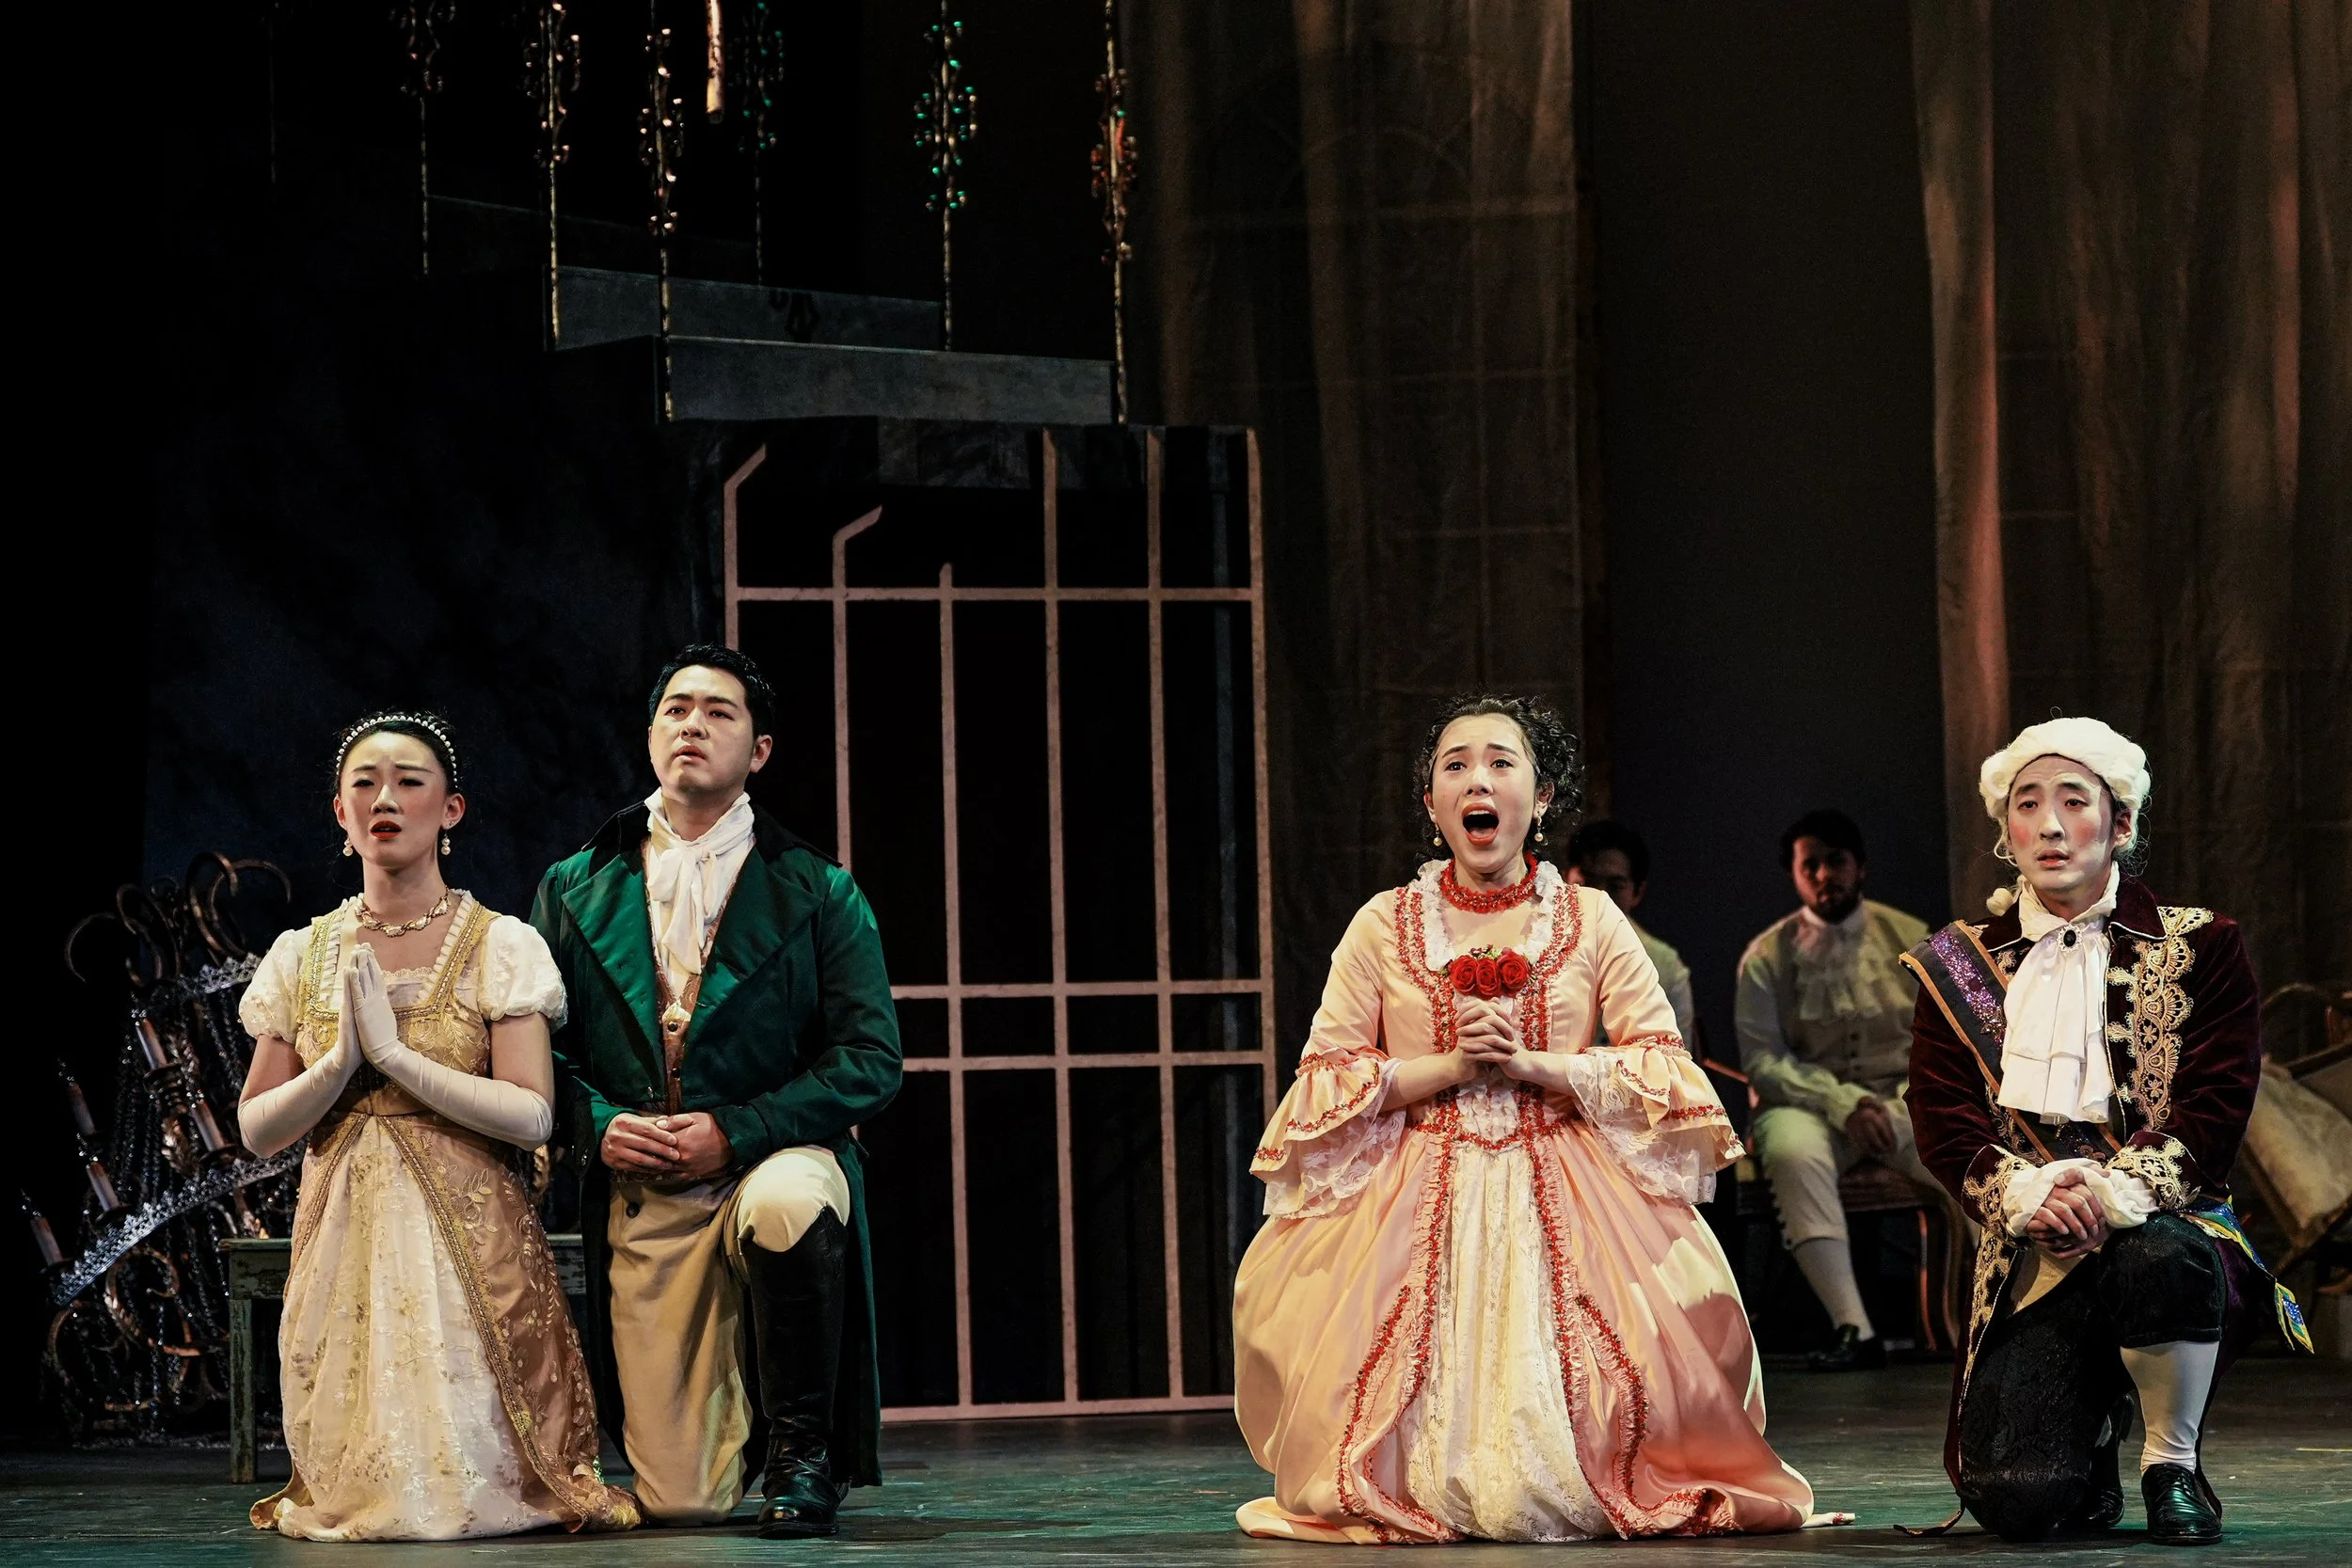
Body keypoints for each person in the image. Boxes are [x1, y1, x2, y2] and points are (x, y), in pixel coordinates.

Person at [1232, 695, 1820, 1544]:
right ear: (1433, 803)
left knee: (1644, 1363)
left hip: (1569, 1172)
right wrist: (1450, 1067)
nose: (1480, 779)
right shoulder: (1381, 925)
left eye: (1503, 762)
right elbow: (1326, 1077)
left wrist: (1538, 1063)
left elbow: (1663, 1061)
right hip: (1414, 1178)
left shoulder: (1590, 920)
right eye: (1456, 764)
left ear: (1540, 798)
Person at [1902, 718, 2309, 1544]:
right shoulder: (1954, 964)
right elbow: (1942, 1116)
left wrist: (2110, 1192)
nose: (2050, 826)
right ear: (2006, 830)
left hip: (2163, 1227)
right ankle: (2087, 1444)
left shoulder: (2203, 945)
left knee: (2160, 1256)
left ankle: (2172, 1460)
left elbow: (2216, 1103)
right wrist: (2024, 1194)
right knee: (2017, 1498)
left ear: (2119, 824)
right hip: (2035, 1245)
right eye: (2028, 806)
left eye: (2073, 802)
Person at [235, 711, 640, 1540]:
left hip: (470, 1239)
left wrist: (396, 1056)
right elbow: (257, 1128)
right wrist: (341, 1063)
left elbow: (533, 1110)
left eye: (409, 782)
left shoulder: (499, 943)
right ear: (340, 816)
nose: (386, 798)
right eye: (364, 784)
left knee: (468, 1481)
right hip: (343, 1236)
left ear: (450, 811)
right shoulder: (300, 953)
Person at [532, 644, 902, 1538]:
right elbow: (536, 1050)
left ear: (760, 751)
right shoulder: (574, 884)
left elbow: (869, 1058)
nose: (693, 724)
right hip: (646, 1180)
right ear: (651, 734)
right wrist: (597, 1124)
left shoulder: (819, 889)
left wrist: (740, 1129)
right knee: (684, 1503)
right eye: (675, 710)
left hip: (769, 1154)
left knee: (791, 1201)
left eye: (719, 712)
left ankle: (802, 1454)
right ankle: (727, 1420)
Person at [1733, 809, 1932, 1370]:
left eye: (1835, 861)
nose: (1824, 875)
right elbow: (1764, 1061)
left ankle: (1988, 1318)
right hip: (1810, 1110)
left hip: (1902, 1101)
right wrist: (1844, 1103)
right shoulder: (1767, 956)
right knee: (1792, 1148)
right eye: (1810, 865)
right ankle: (1855, 1327)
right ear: (1795, 876)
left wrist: (1892, 1105)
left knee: (1967, 1151)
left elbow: (1944, 1044)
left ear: (1860, 866)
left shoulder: (1912, 938)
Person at [1565, 818, 1695, 1046]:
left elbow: (1675, 1062)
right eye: (1589, 881)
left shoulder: (1666, 967)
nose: (1600, 896)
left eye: (1615, 886)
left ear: (1638, 892)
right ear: (1567, 876)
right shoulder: (1537, 940)